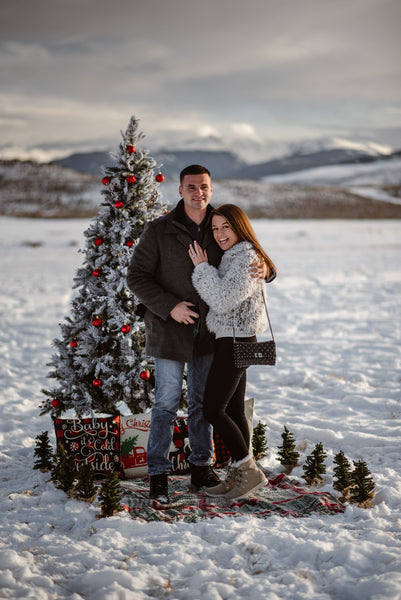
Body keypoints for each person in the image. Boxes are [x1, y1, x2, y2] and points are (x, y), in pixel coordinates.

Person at [127, 165, 268, 503]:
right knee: (164, 405)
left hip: (212, 334)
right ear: (180, 190)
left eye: (203, 186)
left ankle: (201, 468)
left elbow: (246, 260)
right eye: (191, 187)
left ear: (211, 189)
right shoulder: (159, 230)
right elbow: (137, 276)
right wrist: (169, 306)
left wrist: (267, 269)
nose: (198, 193)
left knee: (203, 404)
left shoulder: (221, 226)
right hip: (169, 332)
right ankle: (158, 473)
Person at [189, 203, 276, 500]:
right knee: (235, 409)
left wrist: (201, 270)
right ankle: (239, 474)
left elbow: (224, 299)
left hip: (237, 340)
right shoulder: (235, 255)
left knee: (213, 408)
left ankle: (248, 469)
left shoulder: (245, 257)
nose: (220, 233)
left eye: (225, 226)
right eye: (215, 228)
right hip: (234, 339)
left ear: (239, 226)